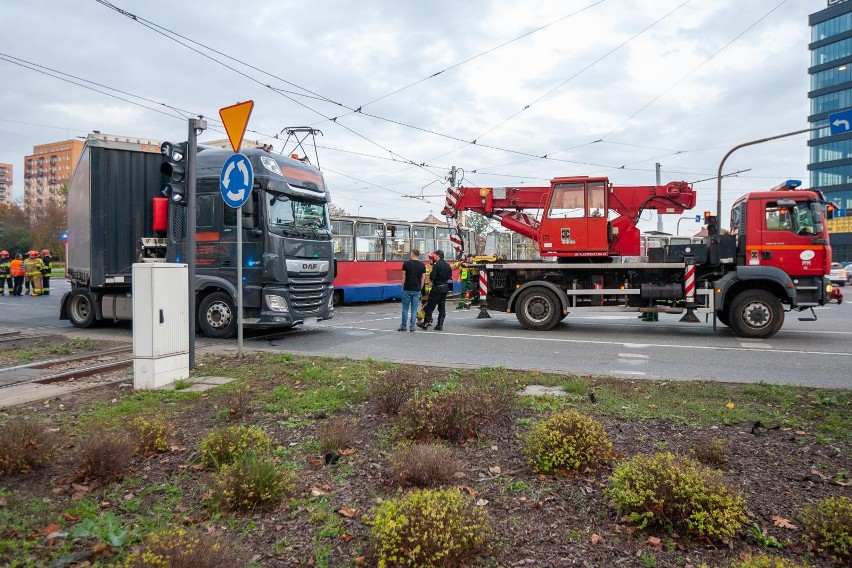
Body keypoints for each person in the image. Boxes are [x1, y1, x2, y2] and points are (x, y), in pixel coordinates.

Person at [418, 249, 452, 331]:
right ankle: (440, 325)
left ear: (438, 256)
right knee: (442, 307)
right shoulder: (447, 265)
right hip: (445, 288)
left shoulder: (436, 265)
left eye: (435, 255)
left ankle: (425, 323)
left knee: (430, 306)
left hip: (437, 288)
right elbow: (449, 276)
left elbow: (432, 277)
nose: (434, 257)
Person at [399, 249, 426, 332]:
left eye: (411, 253)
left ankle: (403, 326)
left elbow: (403, 276)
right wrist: (420, 287)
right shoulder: (422, 265)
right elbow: (423, 278)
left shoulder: (406, 263)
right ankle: (412, 326)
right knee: (414, 309)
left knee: (405, 308)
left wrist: (403, 286)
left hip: (407, 289)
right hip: (417, 289)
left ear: (413, 254)